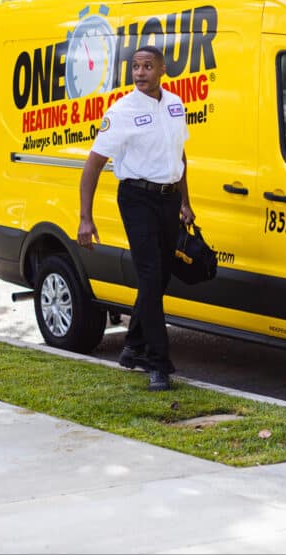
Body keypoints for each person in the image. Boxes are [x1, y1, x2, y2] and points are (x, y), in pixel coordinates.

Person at [77, 45, 195, 391]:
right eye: (135, 67)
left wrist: (185, 201)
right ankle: (158, 364)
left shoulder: (175, 104)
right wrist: (86, 218)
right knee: (150, 274)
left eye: (147, 66)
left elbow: (180, 154)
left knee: (158, 280)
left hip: (169, 199)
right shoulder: (122, 111)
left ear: (162, 70)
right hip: (137, 199)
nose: (140, 73)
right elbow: (92, 166)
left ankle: (132, 345)